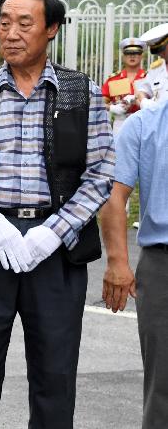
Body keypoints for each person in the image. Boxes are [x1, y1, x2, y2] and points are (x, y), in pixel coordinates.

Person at [0, 0, 114, 429]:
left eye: (24, 23)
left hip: (57, 250)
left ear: (51, 29)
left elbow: (101, 173)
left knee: (55, 377)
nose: (10, 33)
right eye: (4, 23)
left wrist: (54, 232)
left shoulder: (82, 93)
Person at [102, 22, 168, 429]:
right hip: (163, 266)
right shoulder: (145, 125)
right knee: (163, 383)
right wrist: (118, 262)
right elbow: (114, 197)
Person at [102, 37, 146, 136]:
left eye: (136, 53)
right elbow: (100, 103)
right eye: (128, 53)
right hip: (120, 124)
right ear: (123, 56)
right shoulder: (114, 79)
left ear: (141, 56)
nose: (132, 56)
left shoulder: (149, 78)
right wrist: (112, 108)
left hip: (143, 123)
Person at [134, 23, 168, 109]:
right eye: (157, 51)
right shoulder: (156, 69)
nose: (160, 54)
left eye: (162, 50)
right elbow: (142, 91)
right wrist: (144, 101)